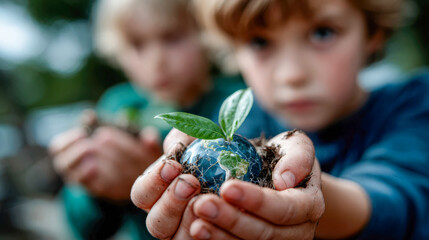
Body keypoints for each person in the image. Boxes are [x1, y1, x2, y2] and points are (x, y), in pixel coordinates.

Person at [130, 0, 429, 239]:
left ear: (372, 32)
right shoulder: (244, 126)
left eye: (322, 33)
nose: (291, 75)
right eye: (259, 42)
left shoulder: (414, 105)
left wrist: (305, 192)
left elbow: (397, 199)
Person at [48, 0, 252, 239]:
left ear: (204, 33)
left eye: (172, 38)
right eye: (137, 44)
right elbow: (82, 228)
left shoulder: (239, 103)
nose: (157, 61)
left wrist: (153, 180)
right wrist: (90, 187)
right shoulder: (117, 105)